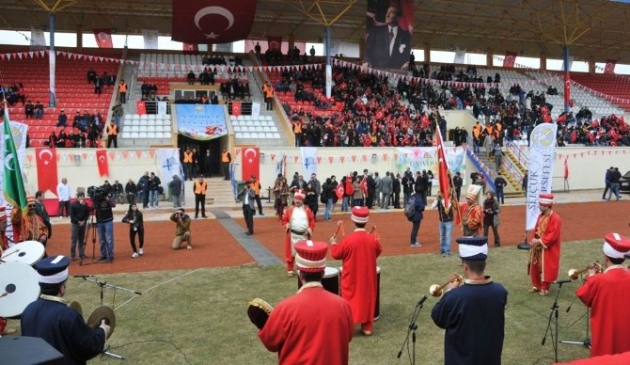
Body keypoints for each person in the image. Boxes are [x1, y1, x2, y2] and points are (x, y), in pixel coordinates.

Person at [258, 240, 354, 365]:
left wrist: (263, 323)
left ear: (299, 274)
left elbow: (270, 343)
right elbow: (348, 337)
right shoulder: (343, 305)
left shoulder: (285, 308)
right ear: (323, 273)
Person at [431, 237, 508, 365]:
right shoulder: (500, 292)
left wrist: (450, 291)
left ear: (465, 267)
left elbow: (438, 317)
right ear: (485, 265)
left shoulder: (454, 297)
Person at [21, 255, 110, 363]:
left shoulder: (28, 310)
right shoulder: (68, 315)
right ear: (62, 288)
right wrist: (103, 331)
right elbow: (87, 347)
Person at [576, 232, 630, 357]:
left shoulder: (598, 280)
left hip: (605, 333)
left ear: (606, 258)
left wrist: (591, 276)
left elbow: (584, 295)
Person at [331, 206, 382, 336]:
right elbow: (378, 250)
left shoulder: (348, 240)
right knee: (368, 298)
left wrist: (333, 243)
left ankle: (349, 325)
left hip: (352, 275)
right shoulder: (372, 240)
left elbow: (336, 254)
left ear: (354, 220)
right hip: (368, 276)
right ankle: (367, 327)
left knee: (350, 299)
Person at [528, 193, 562, 296]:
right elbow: (537, 229)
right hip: (537, 245)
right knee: (535, 266)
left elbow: (553, 235)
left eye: (541, 205)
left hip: (547, 247)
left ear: (547, 206)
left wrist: (540, 241)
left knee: (545, 267)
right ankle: (537, 285)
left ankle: (545, 288)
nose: (539, 207)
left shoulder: (556, 218)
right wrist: (533, 240)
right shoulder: (540, 216)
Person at [365, 5, 412, 69]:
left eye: (391, 12)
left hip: (396, 73)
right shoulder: (376, 32)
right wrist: (367, 61)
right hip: (377, 71)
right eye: (387, 12)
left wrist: (407, 63)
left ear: (398, 17)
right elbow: (368, 49)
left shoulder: (405, 35)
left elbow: (407, 53)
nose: (387, 15)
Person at [281, 189, 315, 277]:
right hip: (292, 235)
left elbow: (312, 221)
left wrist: (310, 229)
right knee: (291, 253)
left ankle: (301, 269)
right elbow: (284, 220)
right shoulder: (290, 209)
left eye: (299, 199)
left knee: (303, 253)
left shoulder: (307, 210)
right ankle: (290, 269)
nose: (297, 200)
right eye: (296, 199)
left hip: (304, 236)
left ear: (302, 200)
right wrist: (287, 224)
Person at [94, 188, 116, 262]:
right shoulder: (97, 199)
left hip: (108, 220)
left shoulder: (109, 197)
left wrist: (107, 199)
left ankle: (110, 255)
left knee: (109, 239)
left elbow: (113, 205)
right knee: (101, 239)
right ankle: (103, 254)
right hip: (100, 221)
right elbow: (94, 207)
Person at [431, 192, 455, 256]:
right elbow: (432, 207)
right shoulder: (438, 201)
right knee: (442, 236)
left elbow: (452, 206)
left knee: (447, 236)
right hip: (441, 221)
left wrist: (453, 197)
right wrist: (437, 199)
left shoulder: (449, 201)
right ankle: (442, 249)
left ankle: (447, 251)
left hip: (448, 221)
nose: (439, 194)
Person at [69, 192, 90, 261]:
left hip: (83, 224)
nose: (81, 197)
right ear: (77, 197)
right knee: (74, 240)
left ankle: (81, 254)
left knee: (81, 240)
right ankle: (72, 255)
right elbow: (72, 215)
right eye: (80, 196)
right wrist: (78, 221)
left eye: (82, 196)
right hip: (75, 224)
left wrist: (84, 221)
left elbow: (87, 214)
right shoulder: (73, 205)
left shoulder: (85, 205)